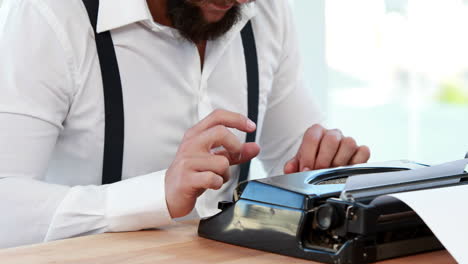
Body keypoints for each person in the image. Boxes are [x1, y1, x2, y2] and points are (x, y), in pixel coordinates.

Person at [0, 0, 370, 248]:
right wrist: (155, 195)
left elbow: (298, 160)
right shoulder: (50, 16)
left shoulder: (265, 11)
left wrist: (325, 172)